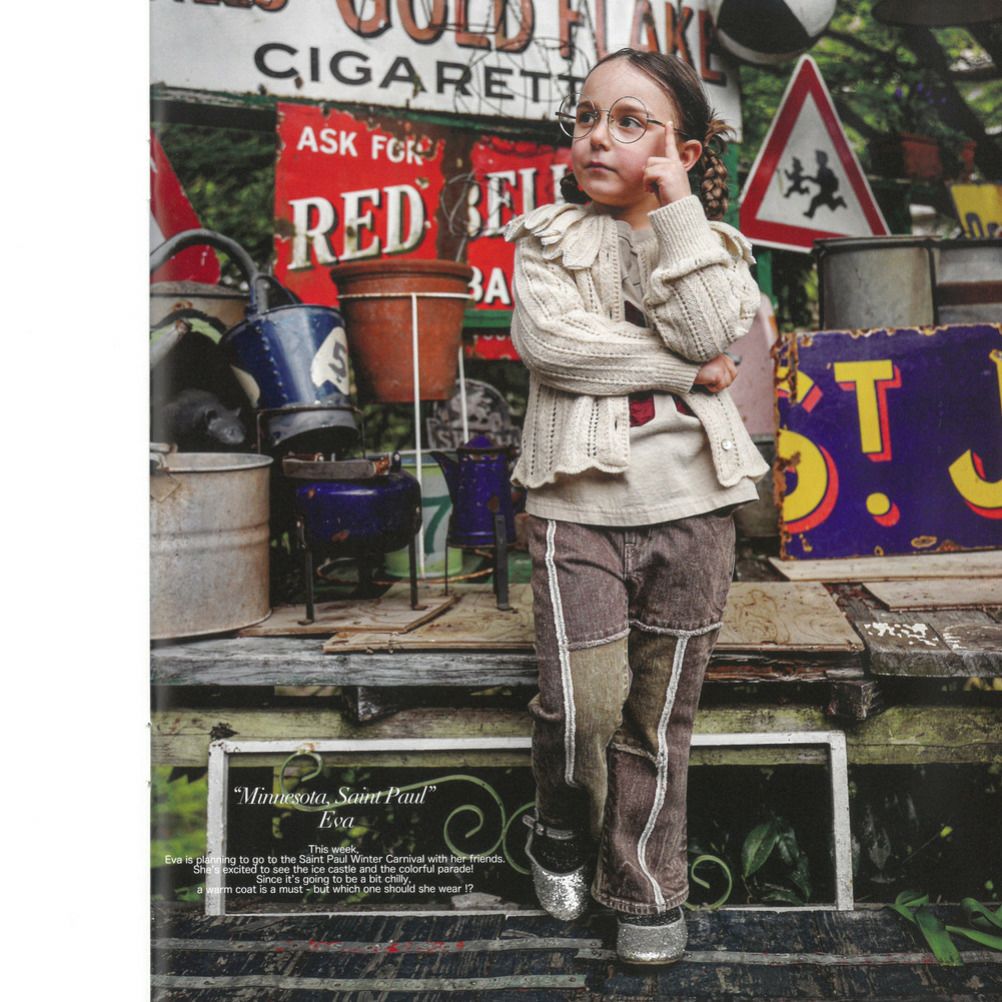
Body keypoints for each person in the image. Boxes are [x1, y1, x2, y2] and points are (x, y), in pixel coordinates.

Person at [504, 48, 769, 965]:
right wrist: (686, 372)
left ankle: (644, 886)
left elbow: (708, 325)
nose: (596, 136)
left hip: (693, 512)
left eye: (628, 121)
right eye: (586, 117)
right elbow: (556, 348)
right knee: (582, 708)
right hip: (574, 507)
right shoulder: (546, 240)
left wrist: (676, 215)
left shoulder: (713, 249)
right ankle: (559, 820)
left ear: (683, 152)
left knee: (659, 719)